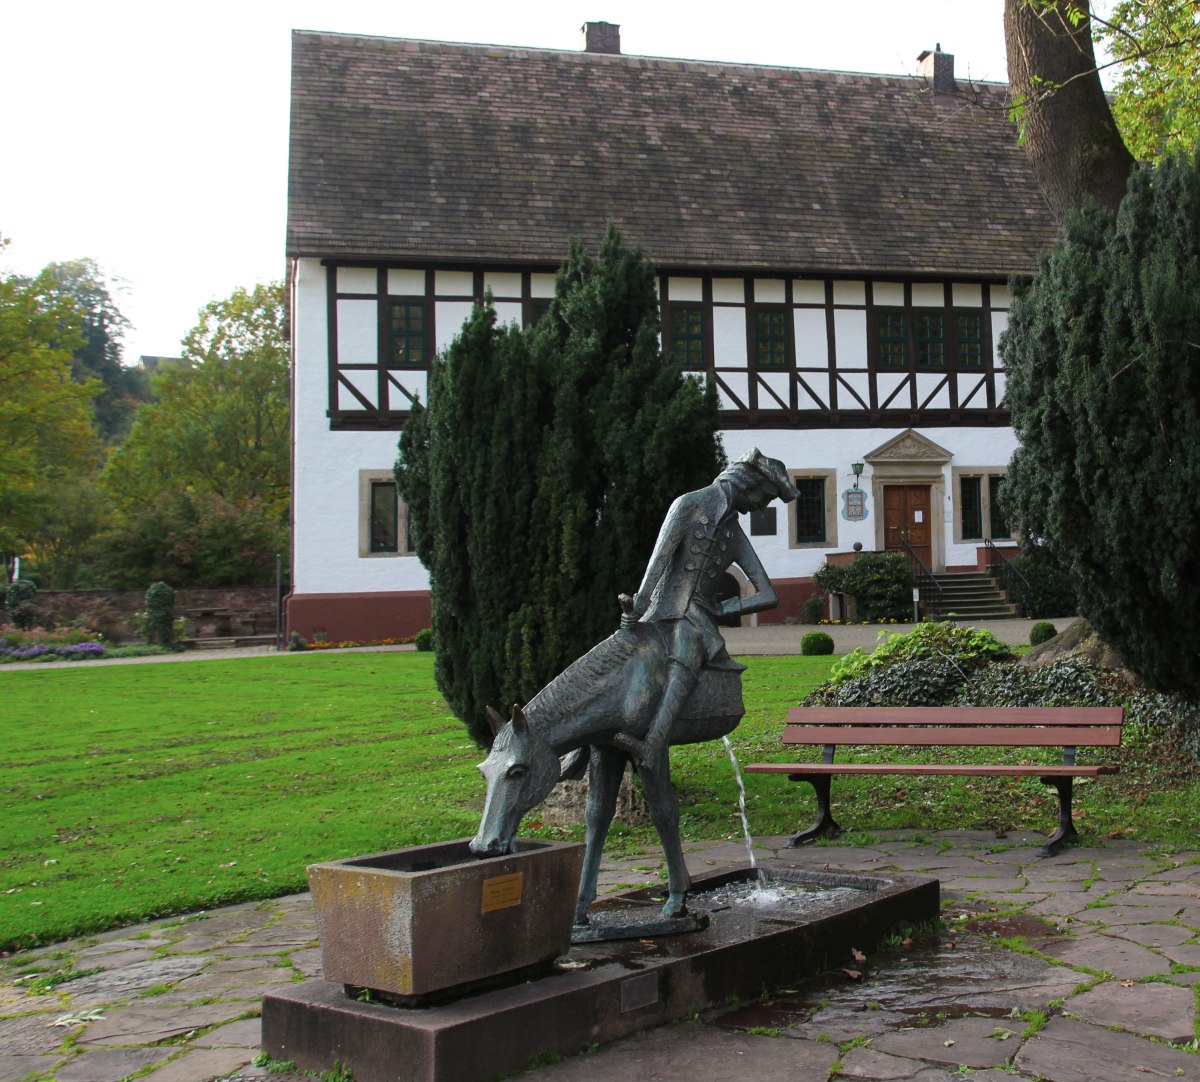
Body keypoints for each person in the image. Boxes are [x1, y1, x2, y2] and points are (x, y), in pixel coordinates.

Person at [614, 449, 798, 769]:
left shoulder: (735, 534)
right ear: (746, 483)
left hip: (696, 619)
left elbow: (767, 594)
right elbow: (659, 560)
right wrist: (639, 604)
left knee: (687, 647)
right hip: (661, 608)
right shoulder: (689, 504)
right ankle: (578, 750)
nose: (761, 506)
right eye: (765, 498)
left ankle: (652, 743)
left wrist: (724, 608)